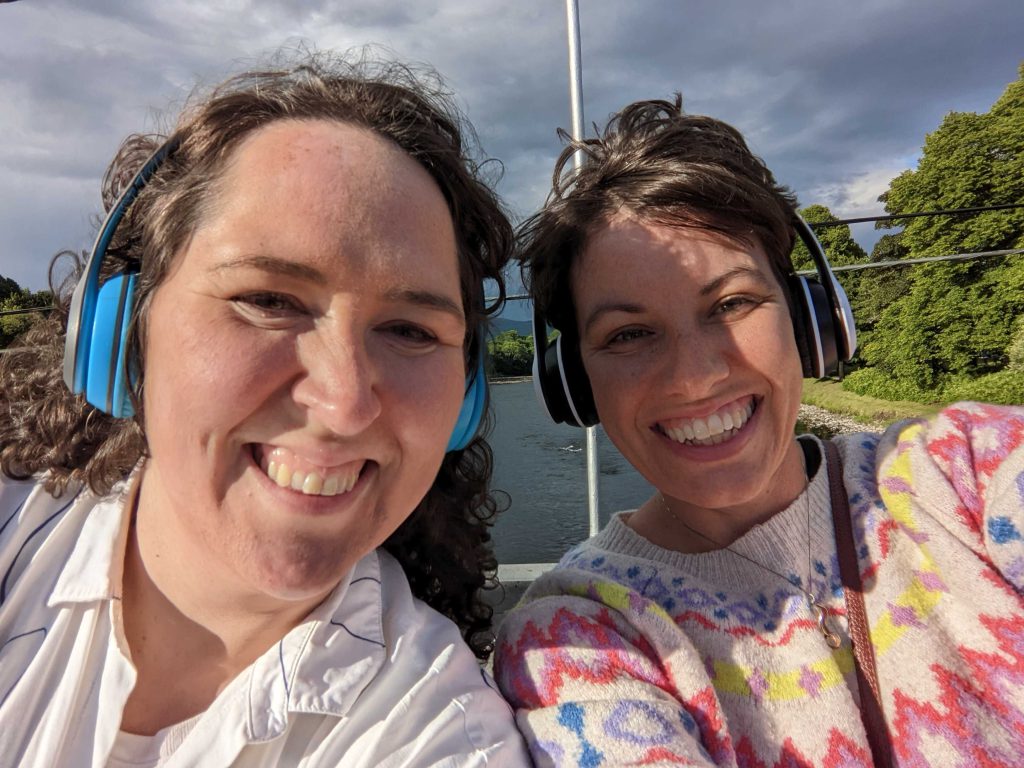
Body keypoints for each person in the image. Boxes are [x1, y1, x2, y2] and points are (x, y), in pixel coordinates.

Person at [0, 52, 530, 766]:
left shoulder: (442, 735)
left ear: (463, 403)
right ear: (125, 335)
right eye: (269, 301)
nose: (344, 404)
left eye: (410, 330)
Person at [493, 95, 1024, 767]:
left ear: (810, 320)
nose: (693, 377)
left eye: (733, 303)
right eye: (628, 334)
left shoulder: (969, 473)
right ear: (574, 383)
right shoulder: (579, 636)